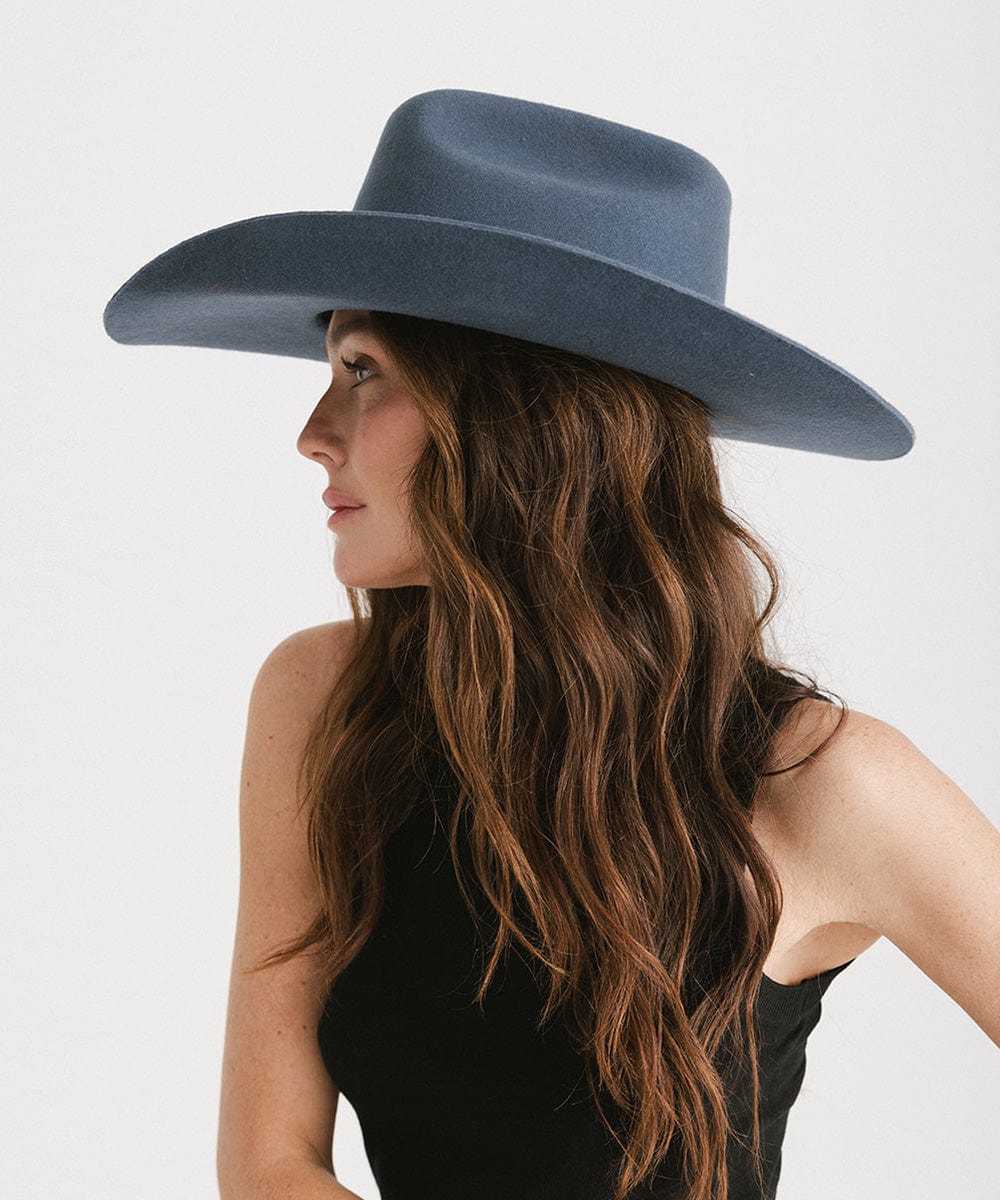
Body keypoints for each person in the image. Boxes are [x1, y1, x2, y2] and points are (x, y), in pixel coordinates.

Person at [103, 88, 1000, 1200]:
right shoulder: (322, 700)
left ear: (523, 415)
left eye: (363, 369)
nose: (310, 433)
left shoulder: (817, 780)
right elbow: (268, 1163)